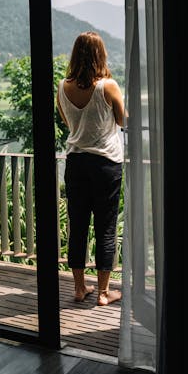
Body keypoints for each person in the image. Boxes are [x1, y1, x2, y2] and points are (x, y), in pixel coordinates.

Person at [56, 31, 124, 306]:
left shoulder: (63, 86)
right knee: (105, 227)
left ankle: (79, 288)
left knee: (79, 227)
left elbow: (67, 120)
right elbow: (122, 120)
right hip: (105, 163)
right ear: (101, 54)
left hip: (76, 162)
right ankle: (105, 293)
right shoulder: (107, 86)